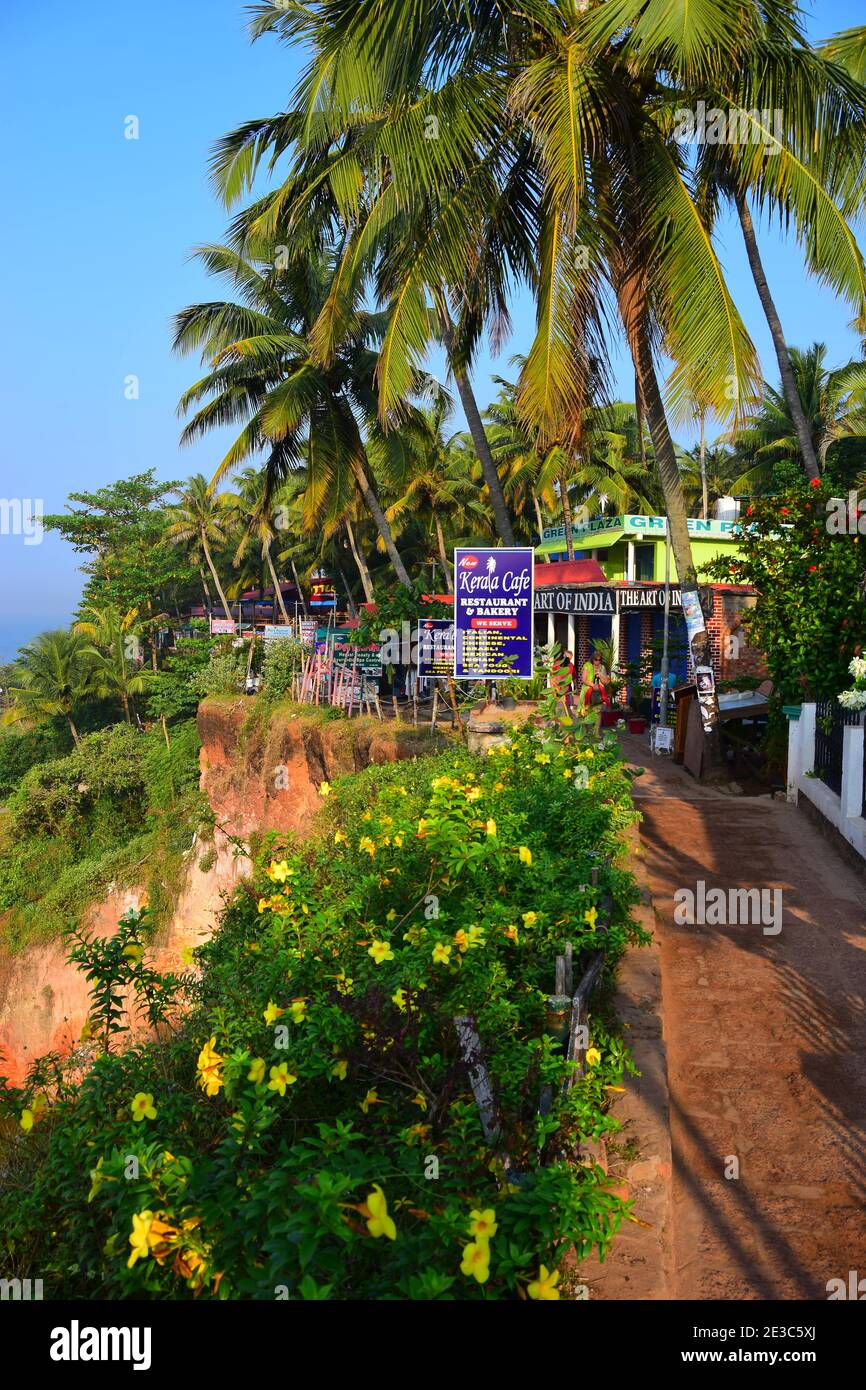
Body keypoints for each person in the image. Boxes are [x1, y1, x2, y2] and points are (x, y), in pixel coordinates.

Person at [580, 648, 611, 724]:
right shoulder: (587, 666)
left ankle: (596, 733)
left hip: (599, 693)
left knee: (598, 712)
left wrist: (600, 676)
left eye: (599, 660)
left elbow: (605, 682)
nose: (598, 661)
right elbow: (584, 679)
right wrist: (593, 685)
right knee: (587, 711)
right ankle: (587, 732)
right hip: (588, 691)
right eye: (596, 659)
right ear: (592, 659)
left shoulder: (602, 667)